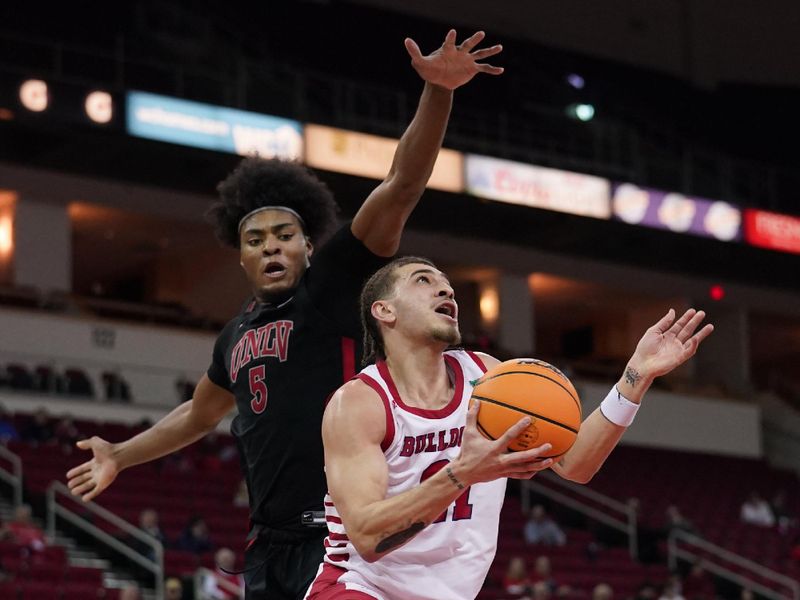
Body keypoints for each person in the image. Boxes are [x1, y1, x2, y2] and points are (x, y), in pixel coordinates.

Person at [66, 28, 505, 600]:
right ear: (242, 255)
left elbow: (401, 186)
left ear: (307, 246)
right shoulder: (235, 336)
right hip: (267, 545)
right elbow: (198, 416)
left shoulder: (332, 285)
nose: (271, 246)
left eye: (284, 235)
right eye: (256, 239)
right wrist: (121, 455)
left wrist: (439, 93)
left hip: (342, 534)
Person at [306, 257, 713, 599]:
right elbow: (367, 536)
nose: (446, 291)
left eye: (448, 285)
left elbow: (574, 465)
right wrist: (463, 473)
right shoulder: (358, 403)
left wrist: (636, 376)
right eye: (424, 281)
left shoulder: (488, 375)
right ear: (384, 310)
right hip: (359, 588)